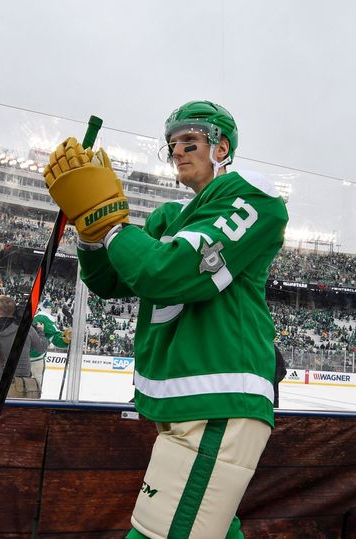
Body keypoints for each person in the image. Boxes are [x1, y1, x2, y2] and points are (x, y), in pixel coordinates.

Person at [43, 100, 288, 538]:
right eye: (172, 144)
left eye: (190, 142)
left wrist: (112, 224)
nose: (177, 151)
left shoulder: (254, 194)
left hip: (219, 395)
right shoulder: (169, 216)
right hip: (188, 400)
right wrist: (92, 231)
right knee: (208, 528)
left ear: (222, 147)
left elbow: (169, 272)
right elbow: (111, 280)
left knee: (158, 532)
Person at [0, 295, 47, 398]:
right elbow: (41, 348)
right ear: (14, 312)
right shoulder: (26, 330)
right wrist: (40, 331)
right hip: (19, 384)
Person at [30, 299, 71, 390]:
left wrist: (66, 340)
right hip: (19, 361)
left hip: (36, 361)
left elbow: (55, 337)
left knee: (34, 391)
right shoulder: (15, 315)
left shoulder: (43, 318)